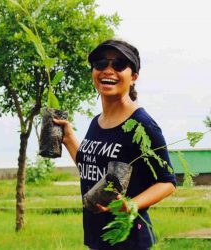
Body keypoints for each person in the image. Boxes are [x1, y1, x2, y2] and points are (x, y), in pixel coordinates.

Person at [53, 39, 176, 250]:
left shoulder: (142, 124)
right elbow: (89, 166)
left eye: (118, 65)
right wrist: (68, 138)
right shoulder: (97, 122)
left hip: (128, 240)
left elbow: (167, 182)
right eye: (101, 63)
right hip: (98, 238)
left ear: (134, 77)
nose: (108, 70)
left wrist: (131, 205)